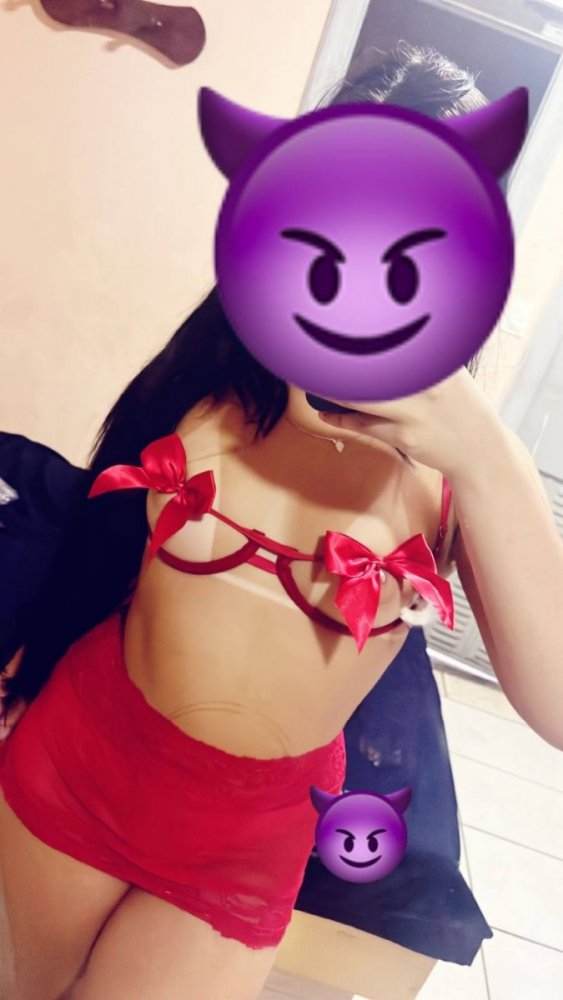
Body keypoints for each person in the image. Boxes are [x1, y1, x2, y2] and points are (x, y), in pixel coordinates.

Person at [0, 42, 556, 1000]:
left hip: (239, 849)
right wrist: (25, 670)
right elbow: (99, 535)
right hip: (80, 758)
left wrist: (483, 449)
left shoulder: (458, 465)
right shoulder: (211, 377)